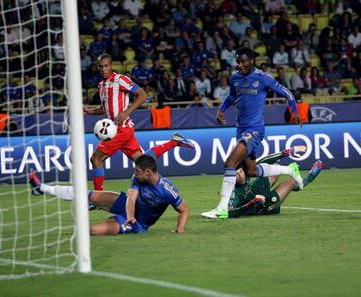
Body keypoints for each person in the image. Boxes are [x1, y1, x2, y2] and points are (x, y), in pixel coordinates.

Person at [201, 47, 303, 220]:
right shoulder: (235, 78)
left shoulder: (263, 78)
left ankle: (222, 208)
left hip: (255, 130)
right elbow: (232, 97)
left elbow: (287, 92)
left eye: (243, 61)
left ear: (252, 61)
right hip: (241, 129)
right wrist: (222, 109)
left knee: (230, 162)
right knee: (252, 171)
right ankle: (289, 169)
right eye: (238, 61)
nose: (240, 65)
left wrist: (294, 111)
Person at [83, 53, 193, 191]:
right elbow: (103, 108)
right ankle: (175, 141)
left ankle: (98, 197)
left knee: (96, 159)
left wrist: (126, 112)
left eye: (106, 66)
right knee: (143, 161)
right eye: (100, 66)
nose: (103, 69)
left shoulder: (120, 79)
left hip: (121, 129)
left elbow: (142, 95)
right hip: (115, 129)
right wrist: (88, 110)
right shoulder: (101, 85)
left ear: (111, 66)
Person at [29, 154, 188, 235]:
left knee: (92, 231)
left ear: (148, 172)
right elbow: (131, 199)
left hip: (137, 223)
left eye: (137, 171)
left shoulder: (167, 190)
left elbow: (184, 210)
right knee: (88, 195)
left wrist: (180, 228)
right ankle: (42, 188)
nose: (134, 173)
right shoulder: (138, 179)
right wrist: (130, 214)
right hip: (126, 207)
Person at [228, 152, 323, 218]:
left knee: (275, 167)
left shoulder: (246, 171)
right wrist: (251, 204)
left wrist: (286, 153)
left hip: (254, 191)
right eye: (236, 174)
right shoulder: (234, 192)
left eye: (240, 171)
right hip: (260, 206)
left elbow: (264, 162)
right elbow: (230, 213)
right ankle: (309, 179)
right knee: (290, 182)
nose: (240, 175)